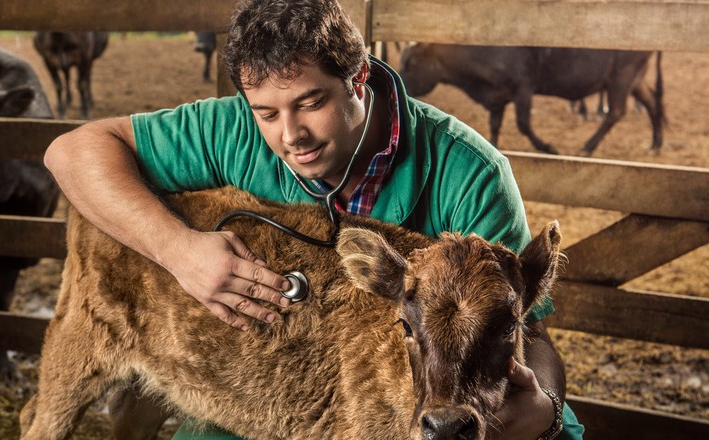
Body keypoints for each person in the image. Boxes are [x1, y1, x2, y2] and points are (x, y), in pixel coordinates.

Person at [44, 1, 584, 438]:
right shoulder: (235, 126)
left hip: (419, 401)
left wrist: (549, 412)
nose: (290, 135)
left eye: (311, 102)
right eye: (267, 114)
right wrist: (178, 250)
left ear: (359, 78)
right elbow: (71, 152)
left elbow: (524, 329)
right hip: (259, 385)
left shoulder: (470, 174)